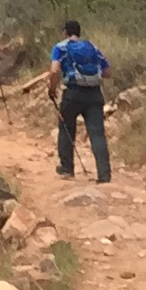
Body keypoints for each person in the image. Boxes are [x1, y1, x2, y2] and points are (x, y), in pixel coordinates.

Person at [49, 19, 112, 182]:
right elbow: (107, 72)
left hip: (73, 93)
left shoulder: (60, 47)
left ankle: (67, 168)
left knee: (66, 128)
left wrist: (52, 89)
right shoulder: (92, 47)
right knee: (97, 134)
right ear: (79, 32)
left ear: (65, 32)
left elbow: (54, 71)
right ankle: (104, 175)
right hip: (94, 94)